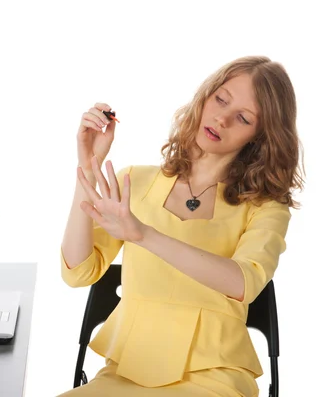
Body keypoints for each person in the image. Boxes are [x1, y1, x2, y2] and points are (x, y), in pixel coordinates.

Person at [58, 56, 304, 396]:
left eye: (243, 118)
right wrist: (88, 168)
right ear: (205, 96)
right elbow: (77, 272)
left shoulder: (265, 207)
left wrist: (143, 235)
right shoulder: (134, 181)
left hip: (214, 378)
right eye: (220, 99)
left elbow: (244, 281)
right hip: (127, 374)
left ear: (260, 137)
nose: (222, 118)